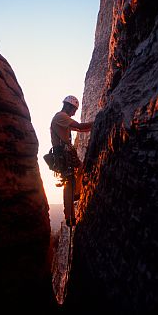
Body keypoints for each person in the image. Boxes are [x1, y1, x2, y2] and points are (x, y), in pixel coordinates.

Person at [50, 95, 93, 227]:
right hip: (64, 155)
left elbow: (82, 129)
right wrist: (98, 122)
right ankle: (70, 213)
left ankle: (76, 195)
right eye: (74, 109)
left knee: (74, 177)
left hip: (65, 154)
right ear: (69, 106)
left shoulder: (63, 119)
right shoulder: (61, 117)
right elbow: (79, 126)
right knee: (69, 183)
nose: (74, 112)